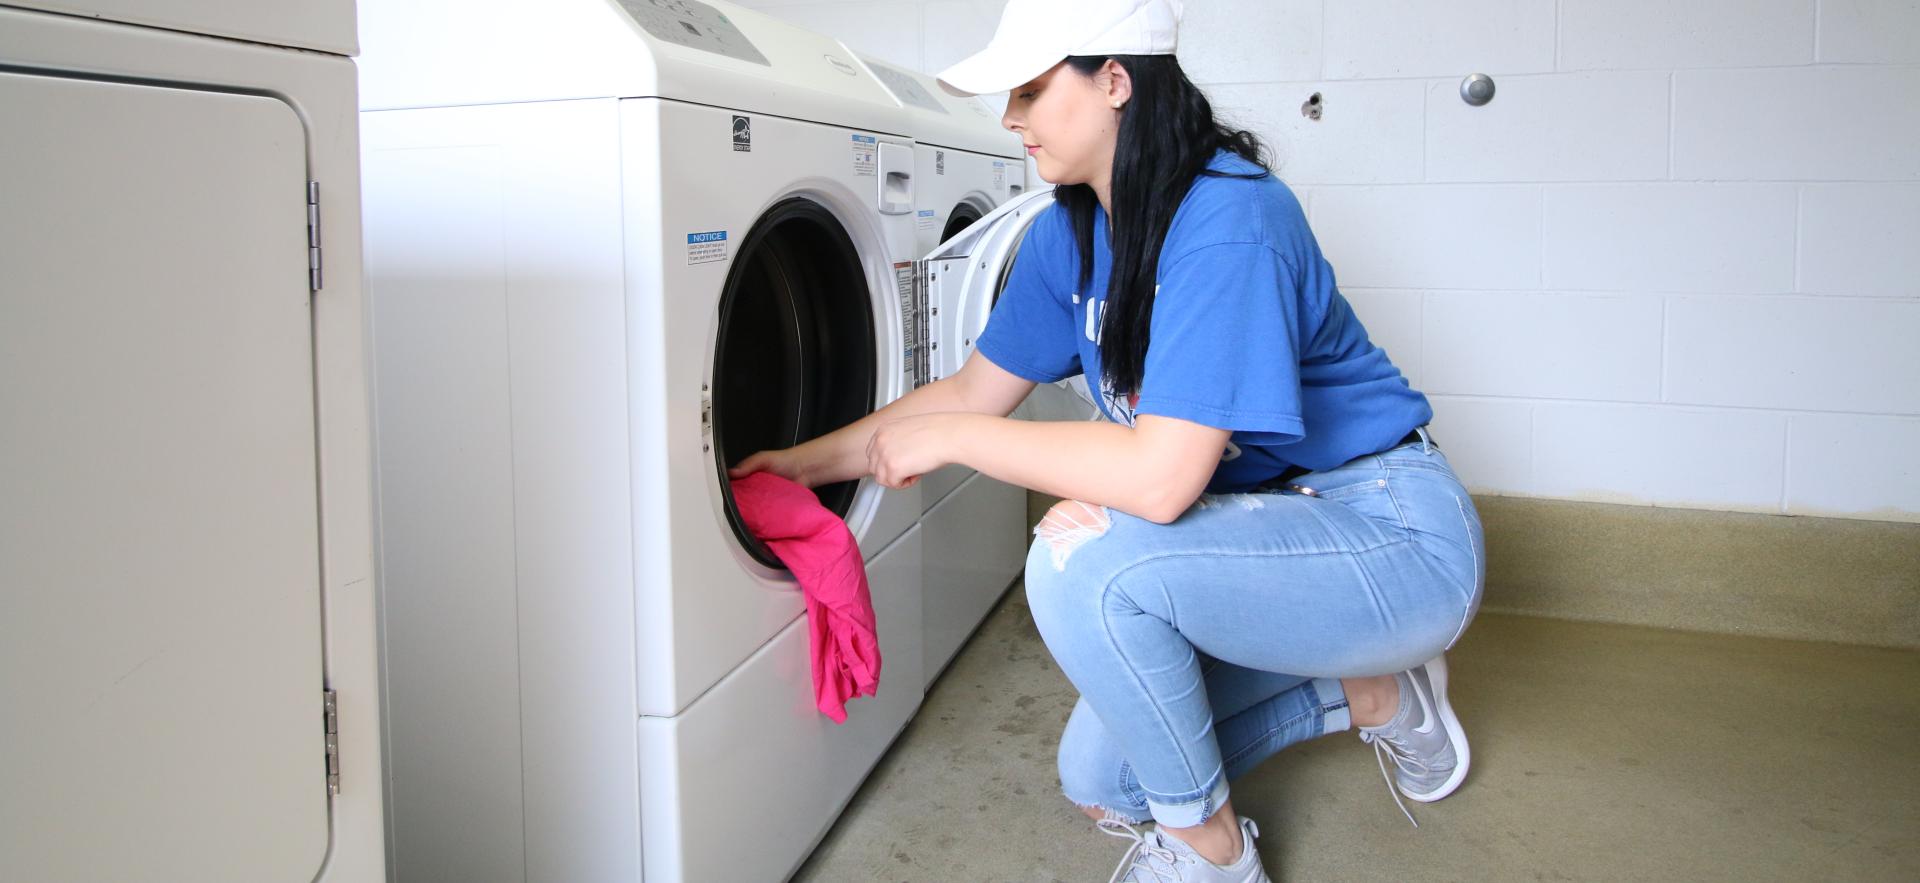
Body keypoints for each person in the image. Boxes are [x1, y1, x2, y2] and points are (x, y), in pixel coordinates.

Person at [730, 1, 1486, 879]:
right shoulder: (1069, 233)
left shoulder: (1231, 220)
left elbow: (1162, 480)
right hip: (1256, 529)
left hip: (1392, 538)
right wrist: (796, 462)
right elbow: (969, 392)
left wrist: (961, 440)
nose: (1010, 116)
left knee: (1076, 556)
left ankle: (1213, 858)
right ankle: (1378, 689)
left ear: (1115, 82)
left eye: (1030, 88)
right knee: (1104, 778)